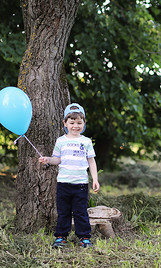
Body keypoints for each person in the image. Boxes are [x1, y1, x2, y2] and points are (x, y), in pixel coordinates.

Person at [39, 103, 100, 248]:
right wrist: (48, 159)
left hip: (80, 184)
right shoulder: (61, 141)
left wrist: (95, 179)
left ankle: (84, 237)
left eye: (79, 122)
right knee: (63, 212)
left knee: (80, 212)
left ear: (84, 123)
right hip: (63, 184)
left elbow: (91, 162)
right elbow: (57, 159)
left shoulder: (85, 142)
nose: (75, 126)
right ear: (65, 123)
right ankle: (61, 237)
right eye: (72, 122)